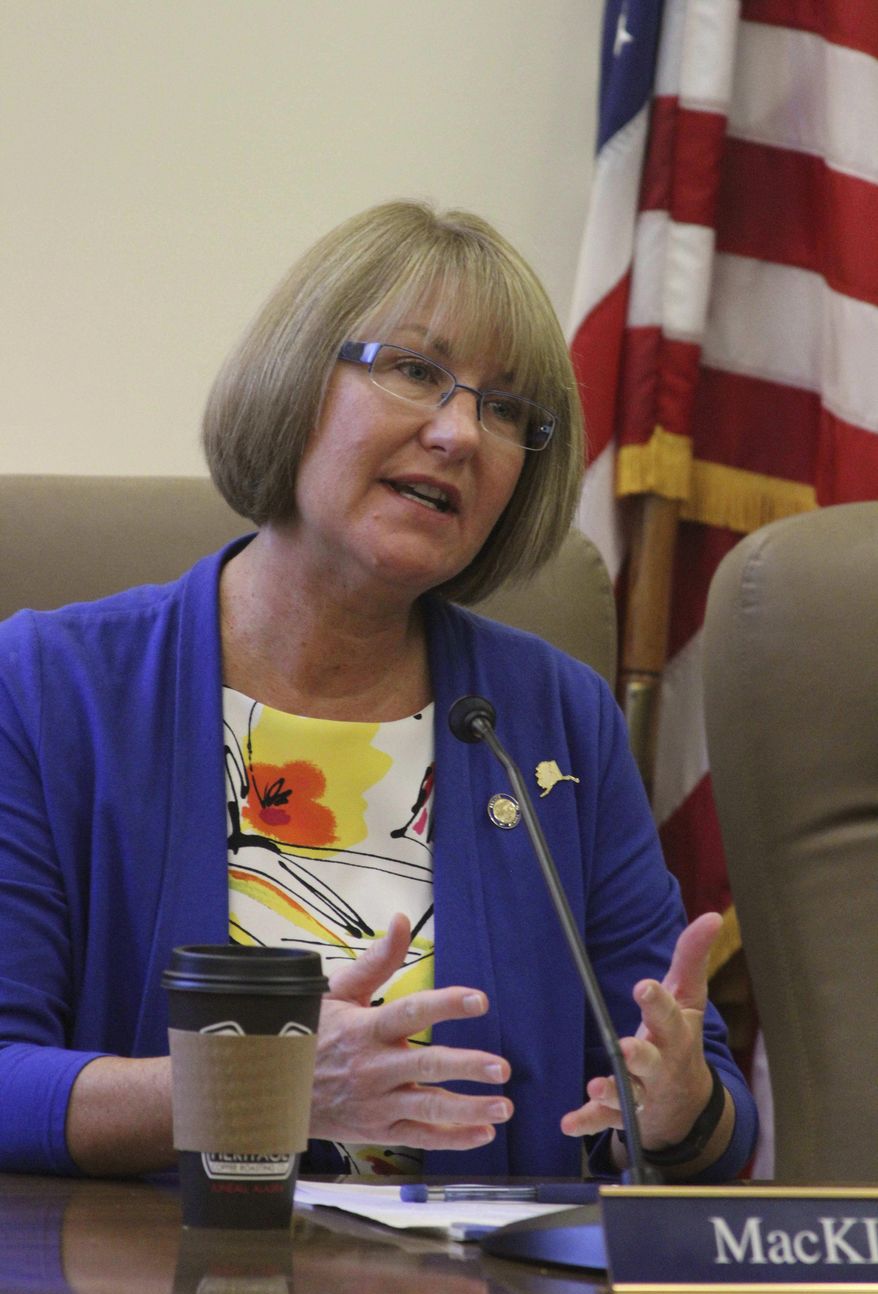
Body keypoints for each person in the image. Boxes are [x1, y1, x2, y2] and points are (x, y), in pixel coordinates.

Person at [0, 200, 756, 1182]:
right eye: (414, 370)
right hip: (156, 1265)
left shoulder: (554, 720)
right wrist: (258, 1087)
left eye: (505, 410)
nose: (460, 433)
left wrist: (677, 1109)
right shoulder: (49, 687)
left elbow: (700, 1111)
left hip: (473, 1270)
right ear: (294, 380)